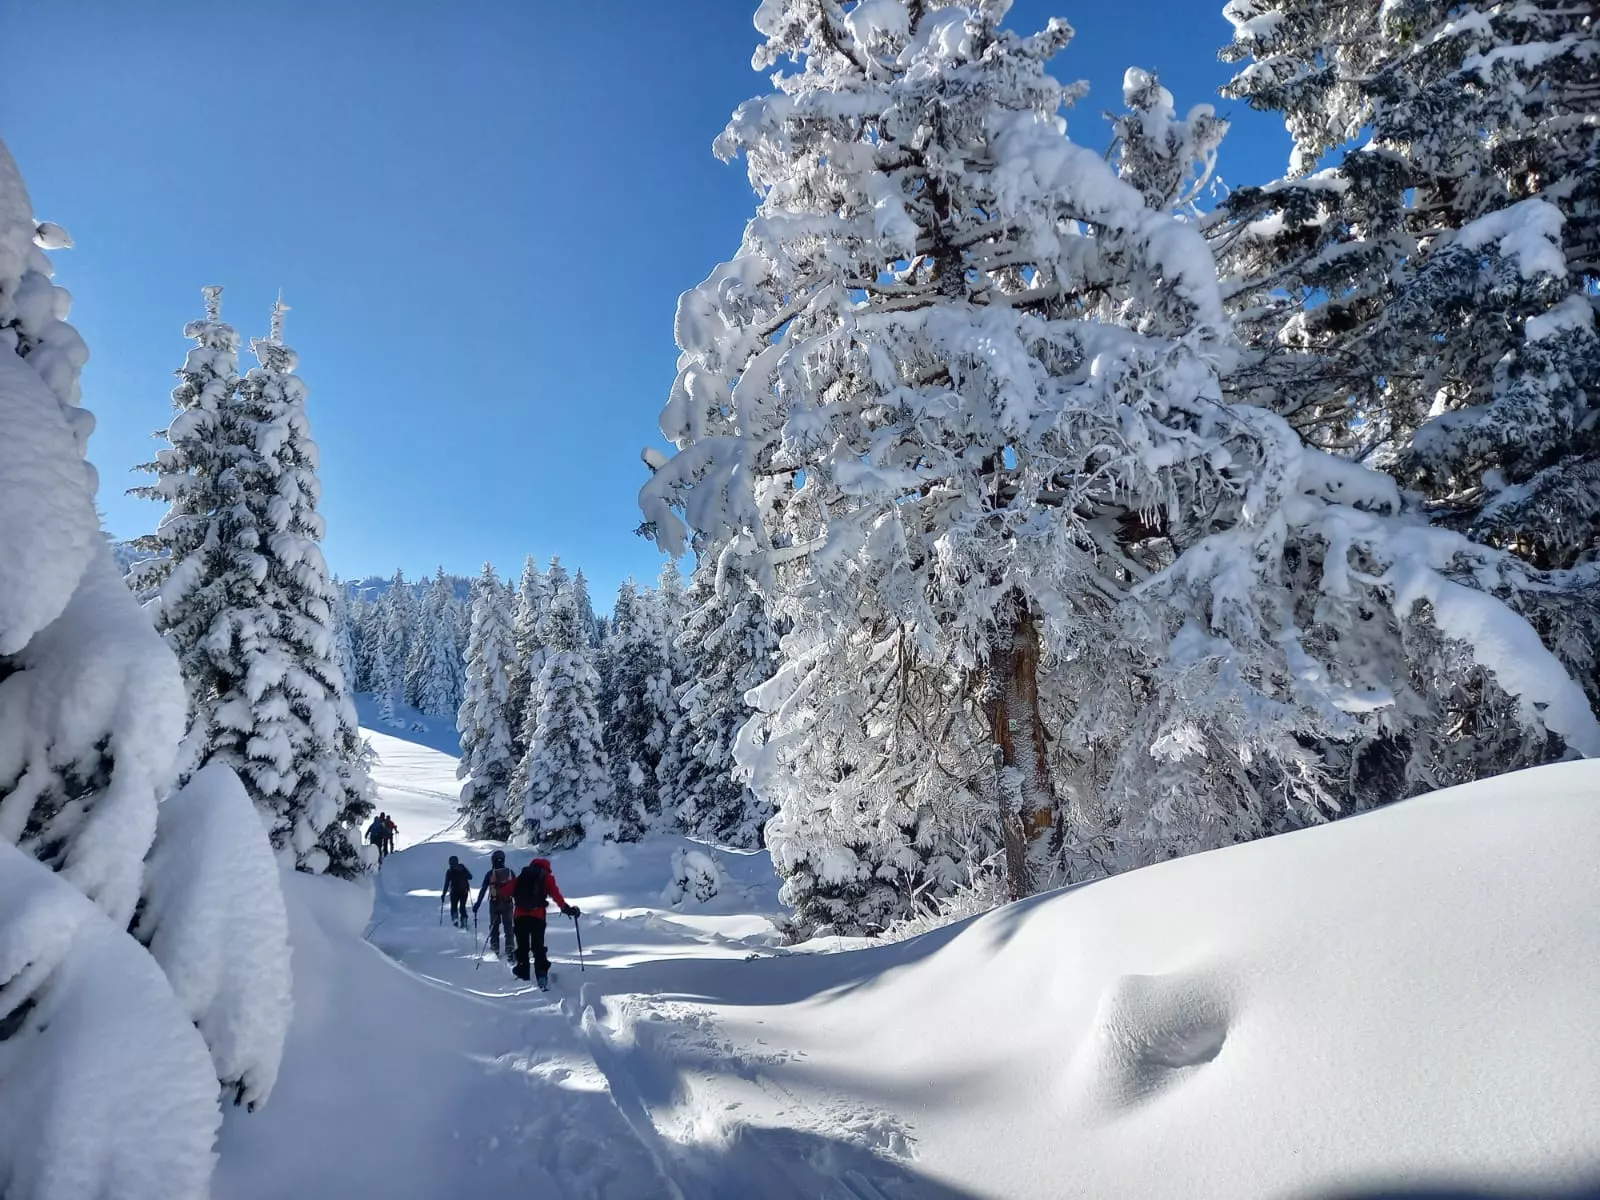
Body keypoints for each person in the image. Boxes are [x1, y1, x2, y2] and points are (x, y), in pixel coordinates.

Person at [510, 856, 579, 989]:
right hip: (538, 918)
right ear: (547, 867)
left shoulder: (523, 876)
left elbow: (506, 890)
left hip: (519, 917)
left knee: (523, 946)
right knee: (538, 947)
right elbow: (556, 895)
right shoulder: (547, 877)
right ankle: (541, 975)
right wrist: (567, 909)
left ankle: (523, 974)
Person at [472, 849, 517, 959]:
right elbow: (517, 888)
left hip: (494, 903)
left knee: (494, 926)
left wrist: (477, 904)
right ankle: (510, 948)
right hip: (508, 903)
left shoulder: (490, 874)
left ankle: (495, 947)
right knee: (508, 926)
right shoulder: (510, 872)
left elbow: (483, 889)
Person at [442, 855, 473, 927]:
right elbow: (470, 877)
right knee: (462, 907)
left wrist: (443, 894)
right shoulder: (462, 868)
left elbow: (447, 883)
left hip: (455, 892)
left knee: (454, 907)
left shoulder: (449, 871)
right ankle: (463, 921)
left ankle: (455, 921)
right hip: (463, 891)